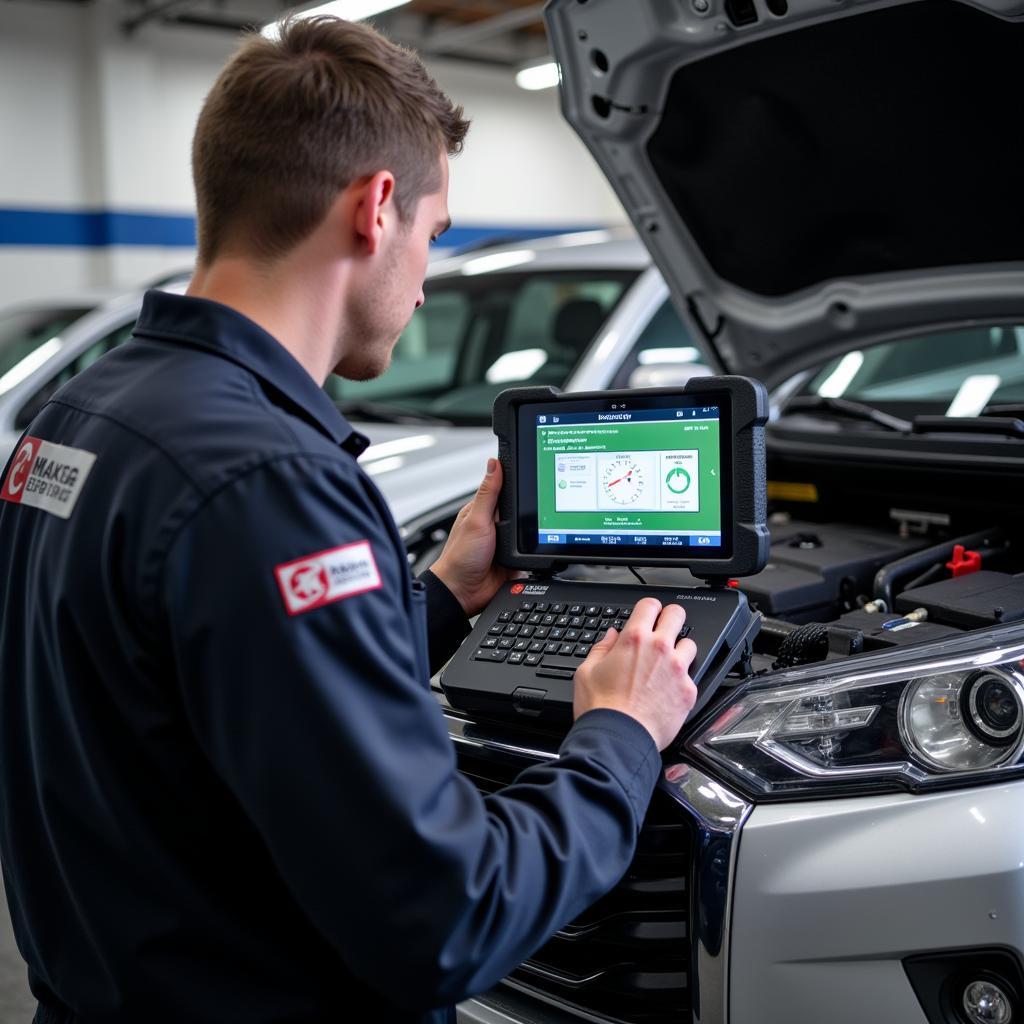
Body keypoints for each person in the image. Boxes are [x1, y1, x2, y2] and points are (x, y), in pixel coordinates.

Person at [0, 16, 698, 1024]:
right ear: (377, 208)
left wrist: (446, 599)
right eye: (434, 231)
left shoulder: (84, 411)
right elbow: (447, 917)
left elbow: (208, 694)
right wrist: (622, 737)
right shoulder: (269, 480)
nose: (424, 275)